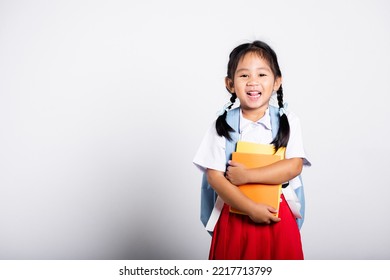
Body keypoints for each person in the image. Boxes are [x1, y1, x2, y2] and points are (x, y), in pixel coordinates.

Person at [193, 40, 310, 260]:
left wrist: (247, 175)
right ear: (230, 84)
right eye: (244, 75)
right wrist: (249, 208)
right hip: (234, 215)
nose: (253, 82)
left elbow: (293, 166)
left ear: (277, 82)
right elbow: (215, 177)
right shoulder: (223, 124)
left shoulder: (289, 121)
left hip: (277, 213)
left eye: (262, 75)